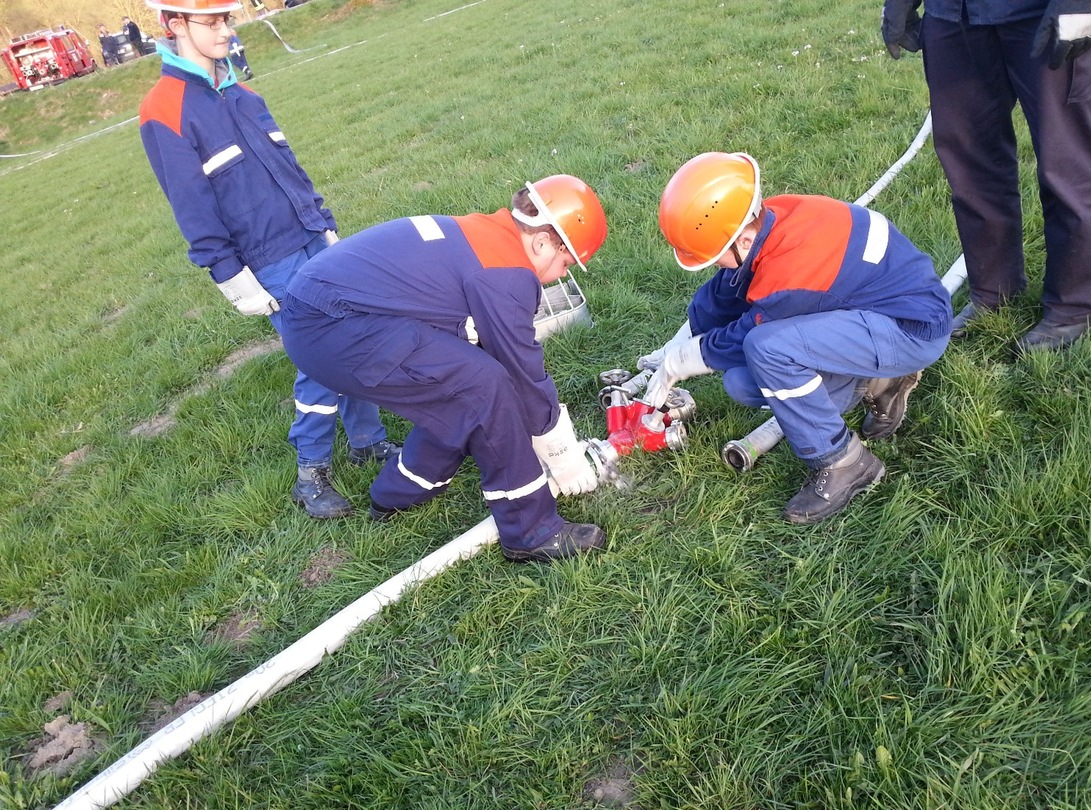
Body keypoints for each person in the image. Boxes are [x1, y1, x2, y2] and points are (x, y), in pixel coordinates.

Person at [138, 0, 396, 519]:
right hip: (266, 259)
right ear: (174, 25)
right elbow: (191, 204)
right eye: (212, 21)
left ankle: (367, 440)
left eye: (227, 19)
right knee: (319, 358)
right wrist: (229, 274)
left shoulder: (243, 91)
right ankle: (311, 473)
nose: (225, 30)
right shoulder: (163, 109)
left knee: (353, 335)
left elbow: (287, 162)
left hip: (308, 235)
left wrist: (322, 223)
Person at [276, 176, 609, 563]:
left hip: (319, 312)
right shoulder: (507, 272)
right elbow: (523, 374)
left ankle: (394, 494)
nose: (562, 275)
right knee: (485, 384)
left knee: (462, 389)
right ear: (541, 242)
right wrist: (562, 454)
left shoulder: (485, 234)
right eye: (566, 262)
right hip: (332, 326)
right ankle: (531, 530)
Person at [638, 152, 951, 524]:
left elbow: (747, 334)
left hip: (910, 330)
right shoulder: (773, 219)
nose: (713, 265)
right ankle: (880, 380)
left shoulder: (793, 270)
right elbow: (727, 289)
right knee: (743, 382)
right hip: (870, 314)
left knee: (766, 349)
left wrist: (683, 361)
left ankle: (844, 463)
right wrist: (675, 346)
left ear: (742, 238)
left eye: (714, 256)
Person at [882, 0, 1091, 352]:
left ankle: (1075, 307)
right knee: (969, 160)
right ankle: (994, 289)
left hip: (1042, 12)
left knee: (1064, 160)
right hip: (953, 16)